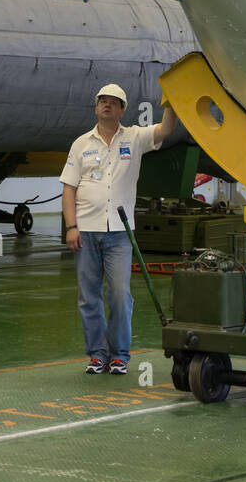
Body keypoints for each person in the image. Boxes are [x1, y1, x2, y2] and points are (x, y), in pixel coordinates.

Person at [60, 83, 177, 374]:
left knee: (120, 296)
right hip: (85, 231)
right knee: (89, 297)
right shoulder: (81, 144)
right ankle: (98, 354)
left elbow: (165, 129)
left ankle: (120, 356)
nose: (107, 106)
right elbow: (69, 189)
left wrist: (172, 102)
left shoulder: (135, 137)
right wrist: (71, 226)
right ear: (96, 106)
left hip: (120, 234)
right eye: (102, 101)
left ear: (122, 109)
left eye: (113, 102)